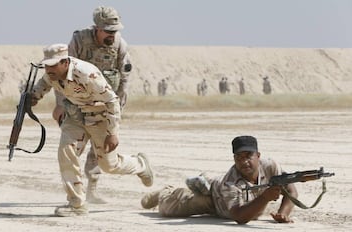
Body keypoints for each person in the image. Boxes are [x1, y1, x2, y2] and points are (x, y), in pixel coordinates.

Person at [32, 44, 153, 216]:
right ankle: (77, 204)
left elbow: (112, 101)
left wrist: (112, 133)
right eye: (47, 65)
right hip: (75, 117)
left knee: (109, 165)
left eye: (53, 65)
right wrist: (34, 96)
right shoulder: (52, 73)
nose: (49, 69)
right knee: (66, 152)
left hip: (100, 118)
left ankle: (140, 165)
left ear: (65, 62)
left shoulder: (87, 73)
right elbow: (43, 83)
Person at [52, 6, 133, 204]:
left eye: (115, 31)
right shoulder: (80, 41)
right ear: (97, 28)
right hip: (77, 104)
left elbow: (124, 80)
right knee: (72, 147)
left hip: (105, 105)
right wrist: (60, 103)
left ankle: (92, 189)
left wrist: (116, 113)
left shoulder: (120, 46)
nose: (112, 35)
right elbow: (61, 72)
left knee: (101, 152)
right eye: (108, 31)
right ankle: (75, 196)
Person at [140, 135, 297, 224]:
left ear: (258, 156)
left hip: (231, 200)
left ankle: (201, 182)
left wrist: (283, 214)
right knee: (169, 211)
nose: (244, 162)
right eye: (239, 157)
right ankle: (166, 192)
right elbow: (239, 217)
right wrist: (264, 198)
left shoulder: (270, 166)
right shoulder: (231, 181)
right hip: (214, 200)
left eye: (248, 156)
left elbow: (291, 189)